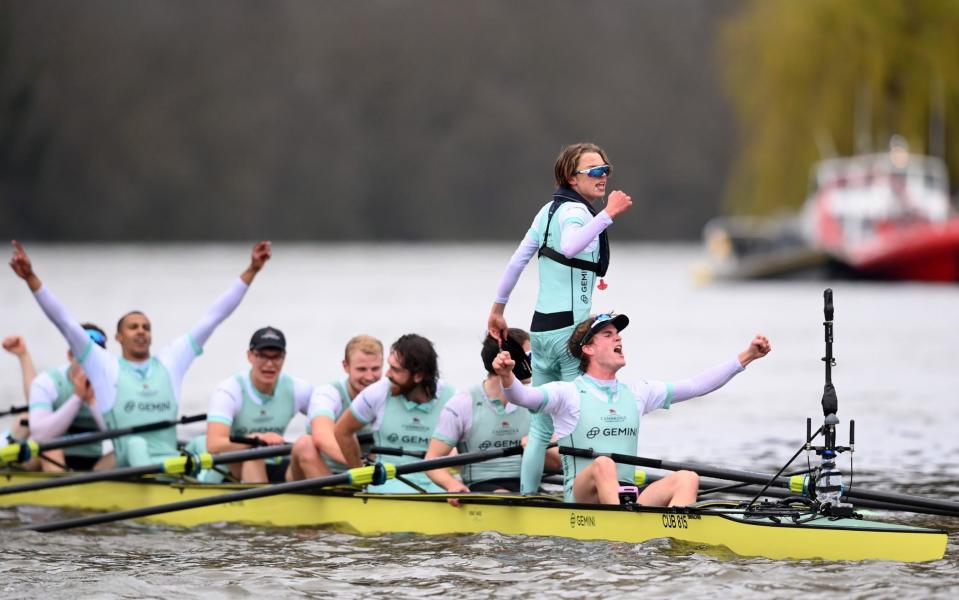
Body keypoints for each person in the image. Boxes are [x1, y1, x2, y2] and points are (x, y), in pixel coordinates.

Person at [9, 239, 271, 468]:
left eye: (146, 327)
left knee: (204, 441)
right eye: (133, 327)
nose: (141, 331)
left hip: (170, 460)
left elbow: (213, 317)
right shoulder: (104, 367)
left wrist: (252, 270)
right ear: (119, 338)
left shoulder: (171, 362)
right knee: (135, 445)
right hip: (132, 463)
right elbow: (64, 321)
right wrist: (32, 279)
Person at [492, 312, 771, 505]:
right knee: (603, 464)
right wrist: (507, 377)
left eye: (618, 334)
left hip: (627, 495)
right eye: (608, 334)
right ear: (588, 348)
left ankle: (681, 542)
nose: (618, 339)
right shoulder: (567, 393)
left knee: (687, 479)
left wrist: (747, 356)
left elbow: (697, 385)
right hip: (582, 497)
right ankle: (621, 538)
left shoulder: (638, 393)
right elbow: (522, 398)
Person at [485, 143, 633, 493]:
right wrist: (608, 213)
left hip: (541, 332)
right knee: (571, 421)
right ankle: (572, 499)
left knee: (539, 427)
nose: (603, 177)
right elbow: (569, 247)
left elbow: (517, 260)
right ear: (571, 177)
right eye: (594, 171)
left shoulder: (546, 212)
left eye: (606, 169)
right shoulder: (576, 214)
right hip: (570, 336)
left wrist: (498, 309)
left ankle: (526, 496)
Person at [426, 329, 561, 497]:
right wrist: (453, 485)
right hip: (482, 487)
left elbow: (558, 464)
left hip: (528, 486)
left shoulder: (536, 399)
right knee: (506, 497)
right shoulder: (462, 404)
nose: (535, 362)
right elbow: (431, 461)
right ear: (507, 360)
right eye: (529, 355)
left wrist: (539, 447)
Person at [334, 333, 455, 493]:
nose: (387, 374)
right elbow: (342, 431)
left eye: (395, 370)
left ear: (418, 376)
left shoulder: (452, 399)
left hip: (437, 484)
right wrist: (361, 477)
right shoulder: (377, 393)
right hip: (388, 483)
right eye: (389, 366)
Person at [194, 326, 313, 483]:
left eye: (276, 357)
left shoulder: (299, 389)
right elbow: (214, 444)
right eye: (262, 356)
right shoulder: (229, 391)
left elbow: (326, 424)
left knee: (308, 445)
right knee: (255, 452)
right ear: (250, 356)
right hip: (231, 471)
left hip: (273, 464)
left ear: (284, 357)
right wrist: (257, 439)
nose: (269, 364)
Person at [289, 334, 384, 478]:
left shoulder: (388, 393)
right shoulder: (328, 393)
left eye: (375, 369)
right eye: (362, 369)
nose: (369, 377)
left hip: (366, 474)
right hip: (323, 473)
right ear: (346, 366)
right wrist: (359, 465)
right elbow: (322, 435)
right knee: (304, 444)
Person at [27, 325, 115, 472]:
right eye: (83, 355)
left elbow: (118, 436)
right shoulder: (47, 382)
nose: (89, 362)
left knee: (128, 448)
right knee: (51, 448)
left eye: (95, 356)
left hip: (94, 464)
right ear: (70, 355)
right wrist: (77, 398)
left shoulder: (113, 384)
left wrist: (92, 401)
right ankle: (62, 492)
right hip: (48, 458)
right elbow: (39, 435)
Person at [2, 335, 38, 467]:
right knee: (24, 420)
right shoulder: (59, 378)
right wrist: (23, 355)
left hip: (93, 460)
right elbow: (36, 402)